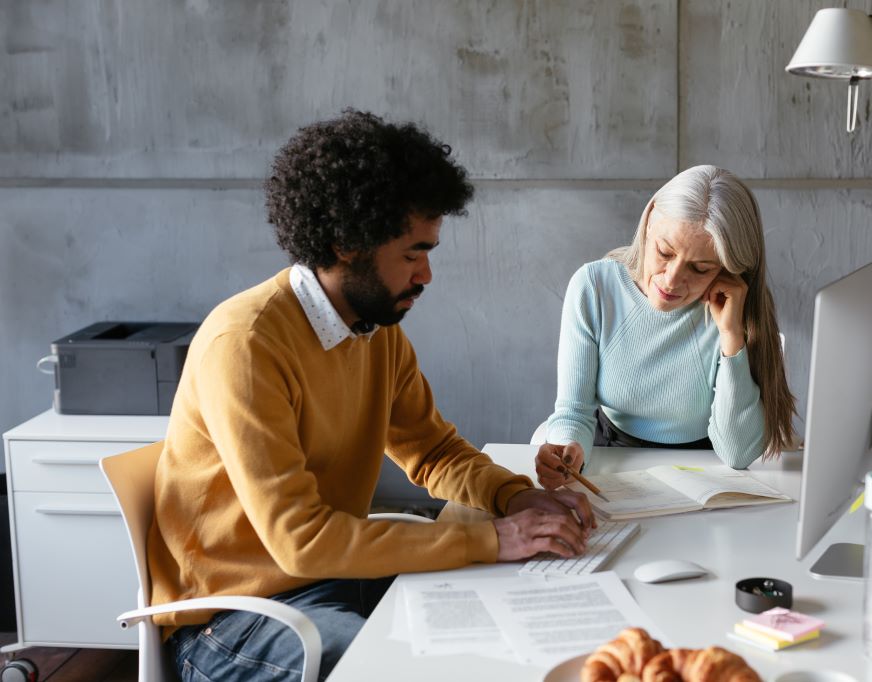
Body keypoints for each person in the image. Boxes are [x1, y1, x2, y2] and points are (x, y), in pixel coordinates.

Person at [149, 110, 594, 682]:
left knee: (505, 626)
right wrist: (490, 538)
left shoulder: (375, 332)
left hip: (331, 581)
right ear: (346, 243)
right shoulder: (248, 344)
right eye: (412, 254)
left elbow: (433, 452)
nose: (426, 274)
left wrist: (513, 499)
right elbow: (302, 541)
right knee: (399, 668)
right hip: (231, 621)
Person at [536, 165, 797, 490]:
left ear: (728, 271)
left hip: (707, 473)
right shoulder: (595, 287)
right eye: (664, 252)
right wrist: (568, 449)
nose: (672, 280)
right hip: (610, 456)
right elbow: (575, 411)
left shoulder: (732, 307)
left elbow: (737, 452)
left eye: (700, 269)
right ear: (648, 221)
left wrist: (732, 338)